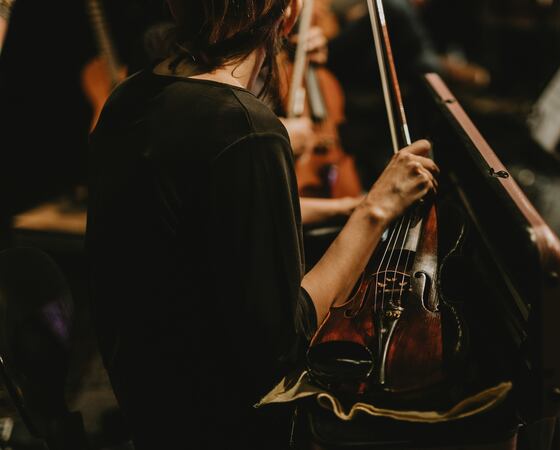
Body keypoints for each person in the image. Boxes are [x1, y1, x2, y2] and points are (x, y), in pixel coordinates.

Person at [86, 0, 439, 448]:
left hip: (152, 410)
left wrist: (342, 207)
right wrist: (375, 210)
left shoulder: (130, 96)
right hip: (228, 426)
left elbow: (207, 218)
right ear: (290, 15)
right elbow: (285, 346)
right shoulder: (244, 127)